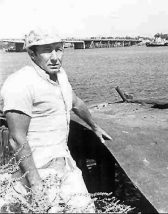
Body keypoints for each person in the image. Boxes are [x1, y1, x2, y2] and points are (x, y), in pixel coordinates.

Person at [0, 29, 112, 212]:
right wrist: (36, 185)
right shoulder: (20, 84)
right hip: (37, 170)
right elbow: (16, 139)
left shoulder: (60, 76)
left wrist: (95, 127)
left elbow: (75, 102)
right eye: (47, 50)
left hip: (65, 163)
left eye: (59, 49)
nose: (55, 57)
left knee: (85, 210)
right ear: (32, 53)